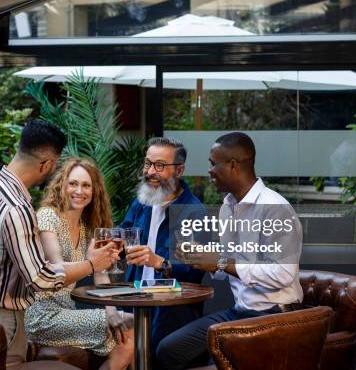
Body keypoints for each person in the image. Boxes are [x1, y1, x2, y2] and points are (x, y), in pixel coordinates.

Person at [0, 119, 119, 367]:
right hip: (2, 319)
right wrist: (91, 264)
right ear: (47, 164)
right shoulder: (18, 208)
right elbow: (41, 279)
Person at [156, 132, 303, 370]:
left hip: (275, 316)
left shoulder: (275, 208)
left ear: (233, 165)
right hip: (240, 313)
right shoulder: (228, 207)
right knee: (170, 350)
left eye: (213, 164)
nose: (209, 170)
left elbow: (282, 274)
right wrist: (201, 258)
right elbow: (229, 264)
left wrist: (220, 262)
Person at [24, 157, 134, 370]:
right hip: (42, 316)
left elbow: (100, 272)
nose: (79, 190)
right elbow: (57, 270)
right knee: (129, 330)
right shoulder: (48, 217)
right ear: (62, 186)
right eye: (73, 183)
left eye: (86, 185)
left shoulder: (87, 227)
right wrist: (91, 262)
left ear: (94, 192)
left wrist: (111, 311)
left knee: (127, 329)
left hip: (67, 312)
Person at [120, 137, 205, 360]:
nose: (150, 172)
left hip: (171, 311)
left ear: (179, 170)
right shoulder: (141, 202)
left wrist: (158, 261)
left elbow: (194, 270)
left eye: (160, 166)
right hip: (134, 303)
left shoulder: (193, 212)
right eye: (148, 163)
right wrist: (111, 243)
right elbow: (124, 234)